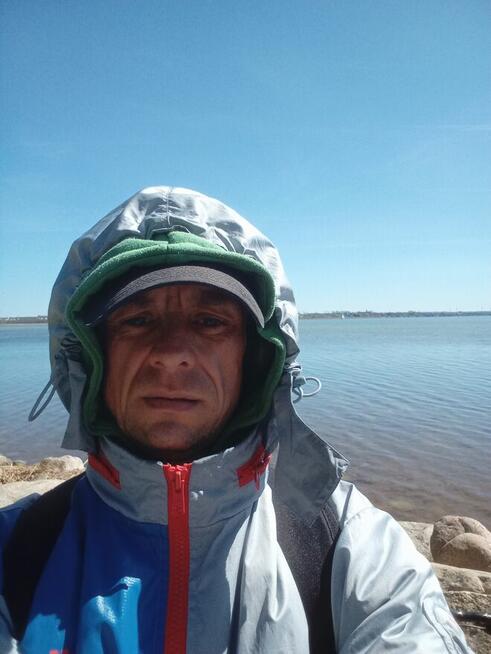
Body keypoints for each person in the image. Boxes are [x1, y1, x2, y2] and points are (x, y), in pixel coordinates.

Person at [0, 187, 473, 653]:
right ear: (90, 358)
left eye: (210, 322)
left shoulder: (345, 545)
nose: (172, 354)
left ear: (256, 359)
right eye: (137, 320)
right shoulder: (18, 552)